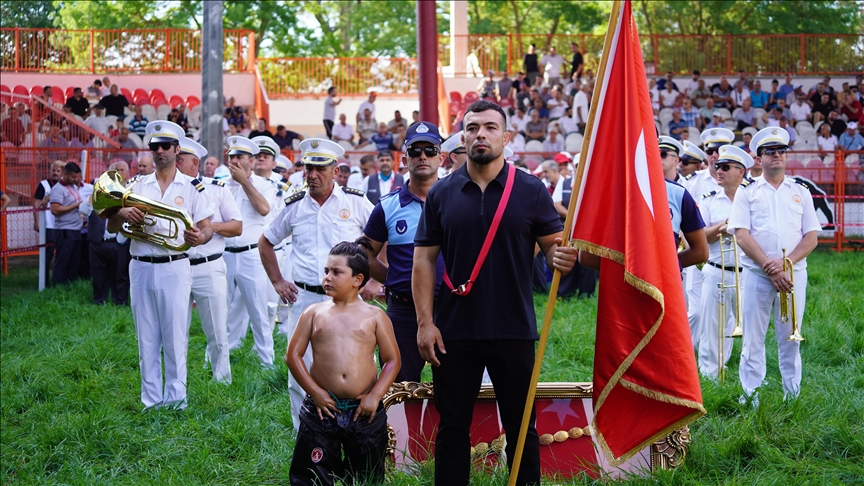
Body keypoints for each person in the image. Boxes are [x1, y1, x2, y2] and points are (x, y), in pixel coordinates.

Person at [413, 100, 577, 485]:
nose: (480, 135)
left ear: (506, 137)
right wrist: (425, 324)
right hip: (453, 332)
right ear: (462, 138)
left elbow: (553, 245)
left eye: (489, 128)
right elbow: (423, 261)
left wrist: (560, 256)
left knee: (523, 429)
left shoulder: (532, 190)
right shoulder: (441, 193)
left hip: (514, 329)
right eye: (472, 128)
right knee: (452, 429)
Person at [259, 138, 373, 431]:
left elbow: (377, 240)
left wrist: (373, 280)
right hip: (306, 298)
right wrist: (277, 280)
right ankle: (305, 437)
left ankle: (357, 433)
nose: (312, 175)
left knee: (356, 365)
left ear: (336, 170)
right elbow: (266, 241)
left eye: (320, 168)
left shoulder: (356, 202)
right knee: (300, 367)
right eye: (308, 168)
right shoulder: (295, 206)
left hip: (349, 301)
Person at [107, 120, 214, 410]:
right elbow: (112, 225)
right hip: (140, 265)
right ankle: (150, 401)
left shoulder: (193, 186)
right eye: (154, 146)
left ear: (177, 149)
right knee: (146, 336)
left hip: (175, 266)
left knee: (175, 333)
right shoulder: (135, 185)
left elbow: (207, 229)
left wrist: (198, 237)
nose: (159, 151)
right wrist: (123, 212)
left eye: (165, 146)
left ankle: (176, 401)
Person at [285, 242, 400, 486]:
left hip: (364, 409)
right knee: (311, 475)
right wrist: (315, 392)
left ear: (358, 279)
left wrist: (375, 396)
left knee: (367, 475)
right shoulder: (314, 313)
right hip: (322, 408)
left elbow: (392, 360)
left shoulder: (375, 316)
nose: (327, 277)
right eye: (326, 271)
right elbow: (292, 355)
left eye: (336, 272)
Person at [729, 127, 819, 407]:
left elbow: (812, 236)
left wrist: (786, 263)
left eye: (781, 150)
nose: (777, 155)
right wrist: (771, 268)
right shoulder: (748, 192)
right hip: (757, 275)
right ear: (759, 159)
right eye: (770, 152)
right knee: (753, 339)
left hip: (793, 276)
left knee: (791, 337)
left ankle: (792, 397)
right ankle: (751, 396)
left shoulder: (800, 191)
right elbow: (741, 235)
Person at [360, 121, 445, 382]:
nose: (422, 156)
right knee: (399, 387)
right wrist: (393, 278)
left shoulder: (458, 200)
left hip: (452, 309)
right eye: (415, 151)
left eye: (429, 150)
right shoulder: (387, 206)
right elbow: (364, 252)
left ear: (441, 157)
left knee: (456, 388)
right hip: (403, 311)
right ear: (404, 158)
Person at [177, 137, 242, 384]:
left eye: (180, 160)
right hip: (176, 264)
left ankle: (222, 380)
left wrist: (207, 226)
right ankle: (177, 381)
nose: (175, 163)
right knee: (175, 330)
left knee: (216, 330)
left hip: (208, 265)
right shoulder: (168, 189)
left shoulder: (217, 188)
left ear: (195, 163)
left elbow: (236, 226)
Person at [697, 145, 753, 380]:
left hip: (747, 272)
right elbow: (698, 237)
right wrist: (723, 225)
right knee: (711, 327)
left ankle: (743, 373)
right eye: (718, 166)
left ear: (740, 172)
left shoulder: (752, 198)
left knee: (745, 328)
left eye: (725, 167)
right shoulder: (708, 201)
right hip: (716, 270)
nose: (718, 170)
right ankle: (709, 376)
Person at [222, 136, 277, 367]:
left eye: (240, 157)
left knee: (258, 312)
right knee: (221, 311)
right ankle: (216, 360)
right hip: (224, 254)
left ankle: (267, 363)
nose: (234, 160)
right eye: (231, 156)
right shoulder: (220, 185)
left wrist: (245, 182)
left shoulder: (265, 185)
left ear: (251, 161)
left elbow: (264, 209)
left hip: (252, 254)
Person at [657, 136, 708, 272]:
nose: (659, 157)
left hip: (683, 255)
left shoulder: (687, 188)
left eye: (663, 154)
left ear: (676, 160)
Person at [49, 162, 84, 286]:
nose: (76, 179)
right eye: (73, 177)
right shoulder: (58, 189)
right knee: (63, 261)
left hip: (75, 229)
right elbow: (55, 210)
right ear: (65, 174)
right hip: (64, 230)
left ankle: (70, 285)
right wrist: (75, 205)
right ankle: (58, 286)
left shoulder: (74, 187)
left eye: (77, 177)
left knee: (74, 261)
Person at [33, 160, 65, 285]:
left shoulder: (65, 186)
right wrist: (36, 221)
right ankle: (44, 281)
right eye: (53, 170)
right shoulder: (43, 185)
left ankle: (59, 281)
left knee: (62, 253)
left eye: (58, 171)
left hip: (62, 225)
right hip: (48, 225)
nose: (55, 173)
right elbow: (36, 203)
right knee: (48, 254)